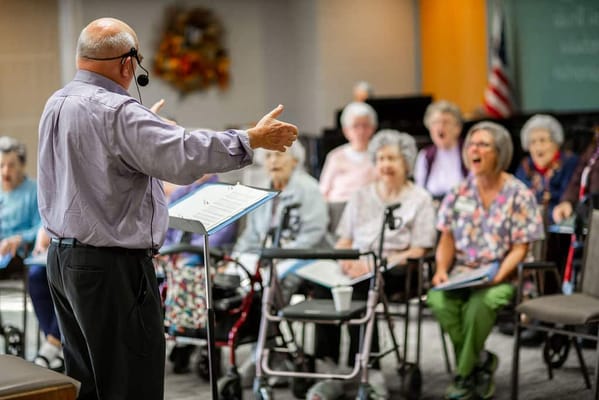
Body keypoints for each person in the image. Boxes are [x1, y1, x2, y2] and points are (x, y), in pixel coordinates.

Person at [37, 17, 297, 400]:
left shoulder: (57, 102)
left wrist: (146, 129)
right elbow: (184, 155)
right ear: (128, 64)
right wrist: (252, 138)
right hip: (110, 268)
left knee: (90, 381)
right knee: (130, 383)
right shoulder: (119, 112)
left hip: (63, 262)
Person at [311, 130, 437, 398]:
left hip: (397, 270)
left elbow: (420, 248)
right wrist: (349, 262)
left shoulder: (420, 199)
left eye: (392, 158)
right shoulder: (360, 196)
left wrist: (376, 265)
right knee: (323, 289)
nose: (386, 165)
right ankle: (329, 368)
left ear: (406, 162)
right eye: (380, 159)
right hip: (356, 266)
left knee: (359, 293)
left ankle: (369, 369)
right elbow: (344, 240)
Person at [427, 121, 544, 400]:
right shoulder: (459, 192)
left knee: (479, 305)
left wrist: (498, 276)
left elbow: (520, 248)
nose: (473, 150)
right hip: (463, 273)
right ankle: (481, 362)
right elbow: (447, 239)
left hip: (504, 275)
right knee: (438, 299)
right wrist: (442, 270)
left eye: (483, 145)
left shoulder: (519, 194)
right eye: (471, 144)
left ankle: (465, 375)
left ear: (500, 152)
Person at [160, 173, 239, 374]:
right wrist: (167, 250)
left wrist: (183, 253)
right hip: (173, 257)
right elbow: (164, 229)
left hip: (205, 257)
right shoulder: (181, 193)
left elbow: (221, 235)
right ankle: (177, 334)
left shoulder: (225, 193)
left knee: (188, 273)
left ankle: (187, 337)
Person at [515, 114, 578, 224]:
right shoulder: (525, 167)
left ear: (556, 142)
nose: (538, 147)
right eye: (533, 142)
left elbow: (568, 199)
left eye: (543, 140)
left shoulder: (570, 163)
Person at [319, 102, 377, 202]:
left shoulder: (380, 155)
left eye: (365, 125)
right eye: (355, 126)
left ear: (373, 128)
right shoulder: (335, 156)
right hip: (338, 208)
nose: (361, 131)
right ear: (346, 130)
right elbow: (322, 192)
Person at [0, 136, 40, 279]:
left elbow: (41, 226)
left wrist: (20, 238)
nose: (5, 171)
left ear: (22, 166)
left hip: (20, 252)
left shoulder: (34, 190)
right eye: (1, 165)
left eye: (11, 165)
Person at [413, 100, 468, 200]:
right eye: (435, 122)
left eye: (446, 122)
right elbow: (418, 191)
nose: (440, 127)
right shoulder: (425, 155)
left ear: (458, 128)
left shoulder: (468, 152)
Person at [28, 227, 64, 371]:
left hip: (73, 246)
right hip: (50, 248)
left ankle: (52, 346)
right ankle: (57, 344)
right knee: (35, 276)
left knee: (66, 278)